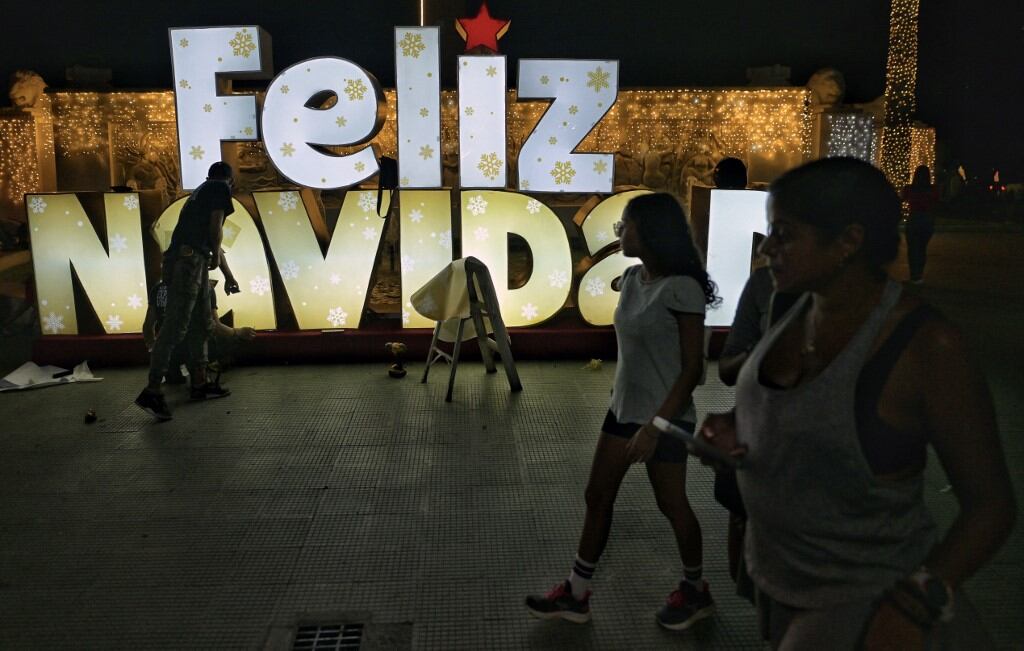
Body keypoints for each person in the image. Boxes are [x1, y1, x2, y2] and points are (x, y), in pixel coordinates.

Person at [699, 157, 1015, 649]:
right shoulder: (792, 304)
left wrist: (913, 604)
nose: (769, 248)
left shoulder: (927, 346)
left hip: (871, 610)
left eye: (784, 233)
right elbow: (788, 412)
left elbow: (991, 507)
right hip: (781, 586)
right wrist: (737, 428)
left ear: (849, 240)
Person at [526, 193, 720, 631]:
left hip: (665, 416)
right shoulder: (633, 278)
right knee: (597, 497)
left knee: (671, 504)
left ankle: (696, 590)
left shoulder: (683, 288)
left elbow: (692, 369)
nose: (620, 233)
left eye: (627, 225)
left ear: (651, 231)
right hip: (623, 409)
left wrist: (656, 427)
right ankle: (576, 594)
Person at [135, 161, 237, 421]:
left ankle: (200, 383)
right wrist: (215, 254)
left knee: (202, 322)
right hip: (188, 263)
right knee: (176, 325)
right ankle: (152, 390)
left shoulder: (200, 191)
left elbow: (209, 236)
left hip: (190, 260)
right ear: (229, 180)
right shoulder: (219, 188)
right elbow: (216, 227)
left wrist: (226, 273)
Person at [142, 277, 256, 385]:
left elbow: (148, 326)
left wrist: (155, 351)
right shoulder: (205, 288)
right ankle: (201, 373)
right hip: (196, 349)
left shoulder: (159, 288)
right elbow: (215, 326)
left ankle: (172, 371)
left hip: (169, 350)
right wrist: (238, 331)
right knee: (223, 337)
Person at [902, 165, 940, 284]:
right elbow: (936, 202)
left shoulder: (910, 188)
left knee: (913, 249)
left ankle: (914, 275)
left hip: (914, 218)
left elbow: (902, 198)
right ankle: (919, 275)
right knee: (921, 248)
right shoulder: (932, 189)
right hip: (927, 220)